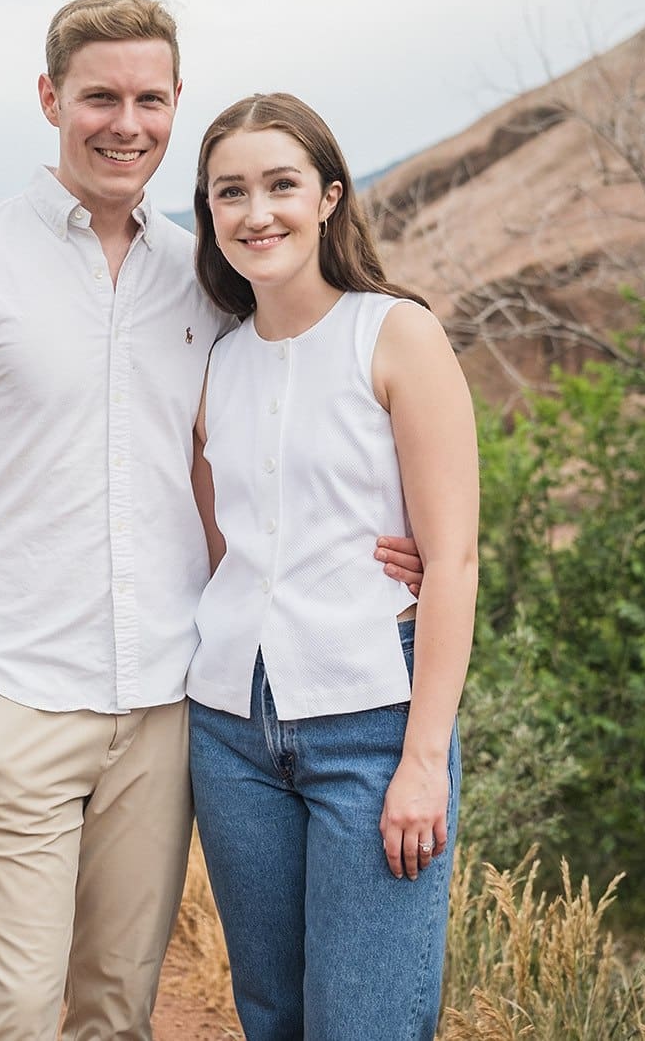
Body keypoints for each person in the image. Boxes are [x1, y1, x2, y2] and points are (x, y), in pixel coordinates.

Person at [0, 0, 423, 1040]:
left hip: (170, 710)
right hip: (11, 697)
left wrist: (390, 547)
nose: (126, 124)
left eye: (150, 100)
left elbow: (277, 435)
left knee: (118, 1014)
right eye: (100, 98)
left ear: (174, 106)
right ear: (50, 99)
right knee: (13, 1016)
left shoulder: (206, 276)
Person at [186, 92, 479, 1041]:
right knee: (271, 1017)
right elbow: (226, 552)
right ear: (209, 212)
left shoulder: (394, 334)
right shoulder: (216, 365)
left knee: (366, 1023)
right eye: (231, 191)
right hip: (230, 731)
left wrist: (423, 761)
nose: (256, 211)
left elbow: (454, 558)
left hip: (373, 726)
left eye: (282, 184)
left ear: (328, 198)